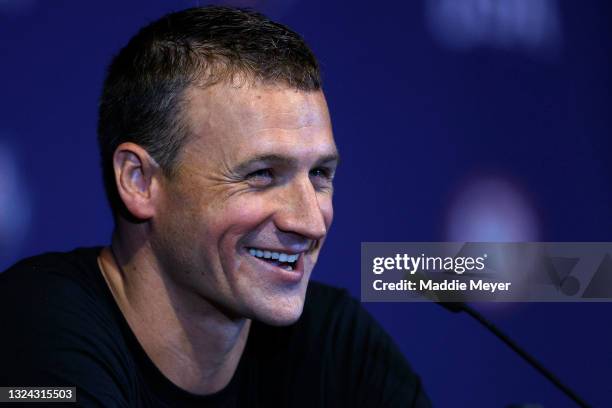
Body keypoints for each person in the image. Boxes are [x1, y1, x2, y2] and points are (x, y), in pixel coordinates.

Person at [0, 6, 430, 407]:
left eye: (319, 174)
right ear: (140, 181)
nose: (310, 222)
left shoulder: (333, 338)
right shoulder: (34, 328)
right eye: (261, 174)